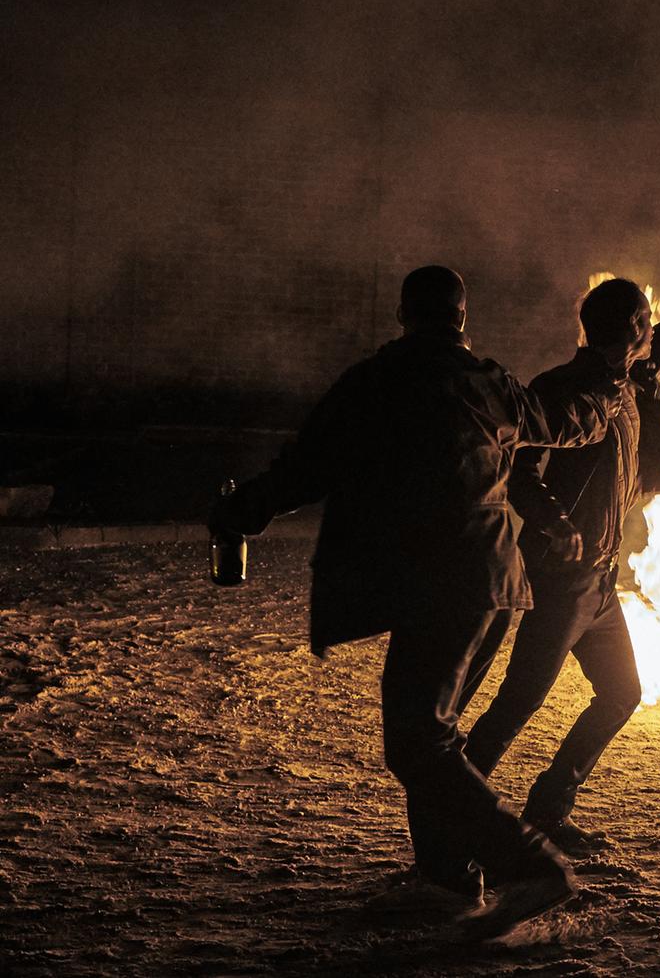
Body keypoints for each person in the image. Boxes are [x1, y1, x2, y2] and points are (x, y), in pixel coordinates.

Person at [212, 265, 633, 938]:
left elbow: (305, 468)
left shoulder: (375, 382)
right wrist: (608, 389)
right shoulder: (490, 384)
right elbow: (562, 423)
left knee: (419, 740)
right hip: (495, 581)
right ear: (462, 319)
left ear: (404, 316)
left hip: (432, 581)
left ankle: (523, 866)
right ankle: (449, 879)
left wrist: (241, 512)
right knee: (432, 735)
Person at [464, 269, 660, 855]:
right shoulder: (563, 389)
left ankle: (548, 810)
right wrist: (556, 522)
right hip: (561, 577)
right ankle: (452, 814)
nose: (651, 333)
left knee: (621, 692)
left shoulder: (633, 379)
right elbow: (518, 469)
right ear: (633, 327)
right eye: (645, 322)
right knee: (519, 702)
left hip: (600, 581)